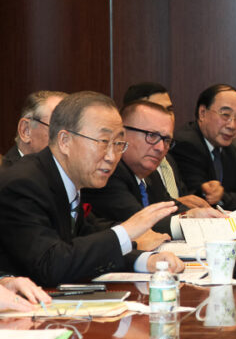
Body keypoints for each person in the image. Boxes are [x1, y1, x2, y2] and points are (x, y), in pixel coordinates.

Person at [0, 91, 184, 287]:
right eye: (103, 142)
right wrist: (126, 231)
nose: (112, 157)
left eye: (118, 144)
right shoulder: (23, 184)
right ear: (65, 141)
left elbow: (85, 243)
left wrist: (145, 261)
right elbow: (51, 264)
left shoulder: (67, 182)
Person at [82, 100, 224, 238]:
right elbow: (140, 224)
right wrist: (187, 220)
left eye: (166, 140)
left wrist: (202, 215)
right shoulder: (109, 172)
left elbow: (169, 206)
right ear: (122, 134)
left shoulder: (151, 174)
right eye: (152, 136)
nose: (160, 148)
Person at [171, 84, 236, 209]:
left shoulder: (230, 148)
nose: (232, 125)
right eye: (225, 115)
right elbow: (202, 200)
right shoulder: (187, 145)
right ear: (202, 113)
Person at [122, 82, 209, 209]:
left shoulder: (163, 161)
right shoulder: (115, 170)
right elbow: (137, 219)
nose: (160, 148)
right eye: (152, 135)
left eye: (169, 110)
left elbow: (172, 201)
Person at [4, 91, 68, 168]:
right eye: (57, 129)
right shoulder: (8, 177)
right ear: (26, 131)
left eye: (73, 132)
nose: (67, 142)